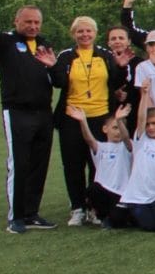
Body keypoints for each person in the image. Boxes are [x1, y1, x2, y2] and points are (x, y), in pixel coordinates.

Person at [0, 0, 59, 232]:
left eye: (37, 22)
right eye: (28, 22)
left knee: (39, 163)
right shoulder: (6, 42)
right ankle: (15, 217)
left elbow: (56, 78)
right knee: (20, 163)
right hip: (17, 112)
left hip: (43, 113)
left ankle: (31, 213)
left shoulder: (44, 44)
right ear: (17, 21)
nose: (33, 26)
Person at [50, 15, 125, 227]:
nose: (84, 35)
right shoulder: (66, 56)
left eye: (88, 31)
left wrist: (120, 66)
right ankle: (77, 208)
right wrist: (52, 67)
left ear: (95, 33)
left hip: (101, 116)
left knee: (98, 164)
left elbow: (117, 82)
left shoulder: (105, 55)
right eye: (80, 31)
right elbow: (59, 82)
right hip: (72, 117)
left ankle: (95, 207)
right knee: (73, 164)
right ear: (73, 34)